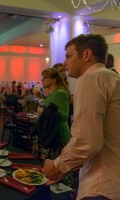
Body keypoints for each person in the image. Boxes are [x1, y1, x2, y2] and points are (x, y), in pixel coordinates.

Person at [42, 34, 120, 199]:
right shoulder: (111, 77)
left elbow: (87, 142)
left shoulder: (90, 78)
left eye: (69, 56)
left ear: (86, 55)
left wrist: (57, 166)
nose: (64, 63)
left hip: (101, 185)